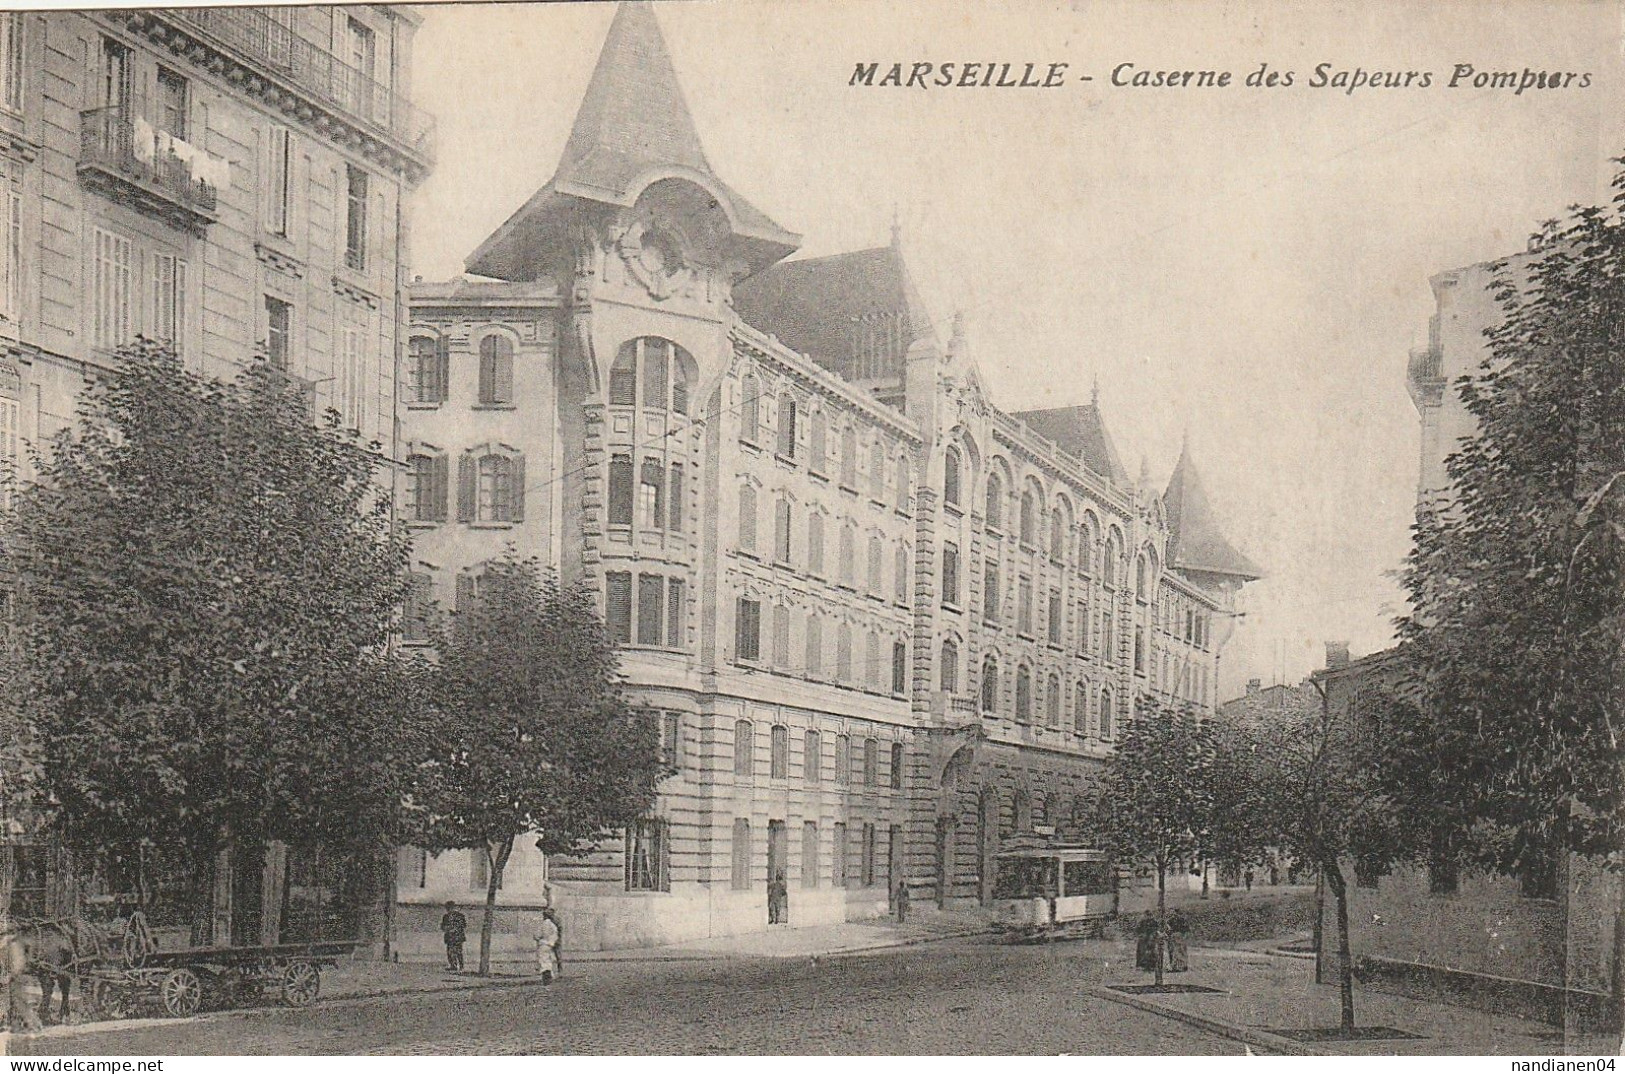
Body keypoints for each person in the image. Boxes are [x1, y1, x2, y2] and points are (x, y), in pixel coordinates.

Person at [534, 908, 560, 984]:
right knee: (549, 960)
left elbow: (537, 935)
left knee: (543, 960)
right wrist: (552, 942)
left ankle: (546, 976)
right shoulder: (553, 926)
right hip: (550, 945)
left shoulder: (542, 925)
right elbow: (556, 935)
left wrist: (537, 938)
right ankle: (549, 975)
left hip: (543, 944)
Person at [439, 901, 467, 972]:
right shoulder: (446, 916)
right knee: (450, 952)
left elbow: (463, 925)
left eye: (449, 908)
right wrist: (445, 928)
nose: (448, 909)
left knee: (458, 951)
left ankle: (460, 966)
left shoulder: (460, 916)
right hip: (451, 936)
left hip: (457, 936)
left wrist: (454, 929)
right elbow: (442, 926)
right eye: (447, 908)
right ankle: (453, 965)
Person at [1167, 908, 1190, 973]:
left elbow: (1186, 929)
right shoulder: (1172, 920)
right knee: (1178, 951)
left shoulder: (1176, 920)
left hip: (1177, 936)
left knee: (1177, 951)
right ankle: (1179, 966)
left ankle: (1178, 966)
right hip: (1177, 936)